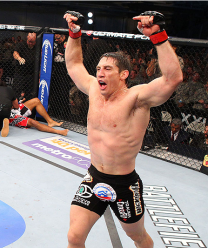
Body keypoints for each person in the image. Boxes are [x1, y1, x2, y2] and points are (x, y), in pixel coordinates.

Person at [63, 10, 183, 248]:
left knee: (137, 237)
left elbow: (172, 79)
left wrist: (157, 35)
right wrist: (74, 34)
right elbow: (74, 64)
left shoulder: (137, 98)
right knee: (74, 237)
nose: (100, 73)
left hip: (125, 184)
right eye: (98, 69)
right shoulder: (93, 89)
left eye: (107, 69)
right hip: (94, 177)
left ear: (124, 75)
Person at [12, 32, 36, 97]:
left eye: (32, 42)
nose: (30, 43)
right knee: (17, 90)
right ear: (27, 39)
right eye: (29, 41)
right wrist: (19, 58)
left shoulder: (37, 47)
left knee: (29, 92)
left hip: (31, 74)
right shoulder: (22, 44)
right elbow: (15, 53)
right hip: (20, 73)